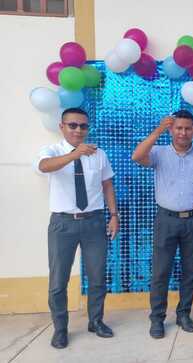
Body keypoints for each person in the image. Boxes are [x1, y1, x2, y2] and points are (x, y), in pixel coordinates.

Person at [132, 110, 193, 338]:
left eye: (187, 128)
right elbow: (137, 155)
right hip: (167, 220)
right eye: (178, 128)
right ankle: (157, 319)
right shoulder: (159, 153)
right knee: (160, 272)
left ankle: (184, 314)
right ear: (172, 130)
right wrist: (159, 129)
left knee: (190, 272)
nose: (183, 132)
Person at [36, 107, 119, 349]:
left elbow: (107, 185)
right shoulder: (52, 150)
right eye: (73, 125)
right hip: (63, 223)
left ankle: (96, 321)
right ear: (62, 127)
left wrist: (114, 215)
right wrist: (75, 155)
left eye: (83, 126)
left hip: (93, 221)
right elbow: (44, 166)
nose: (78, 130)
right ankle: (60, 329)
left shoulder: (98, 154)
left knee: (97, 277)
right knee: (58, 280)